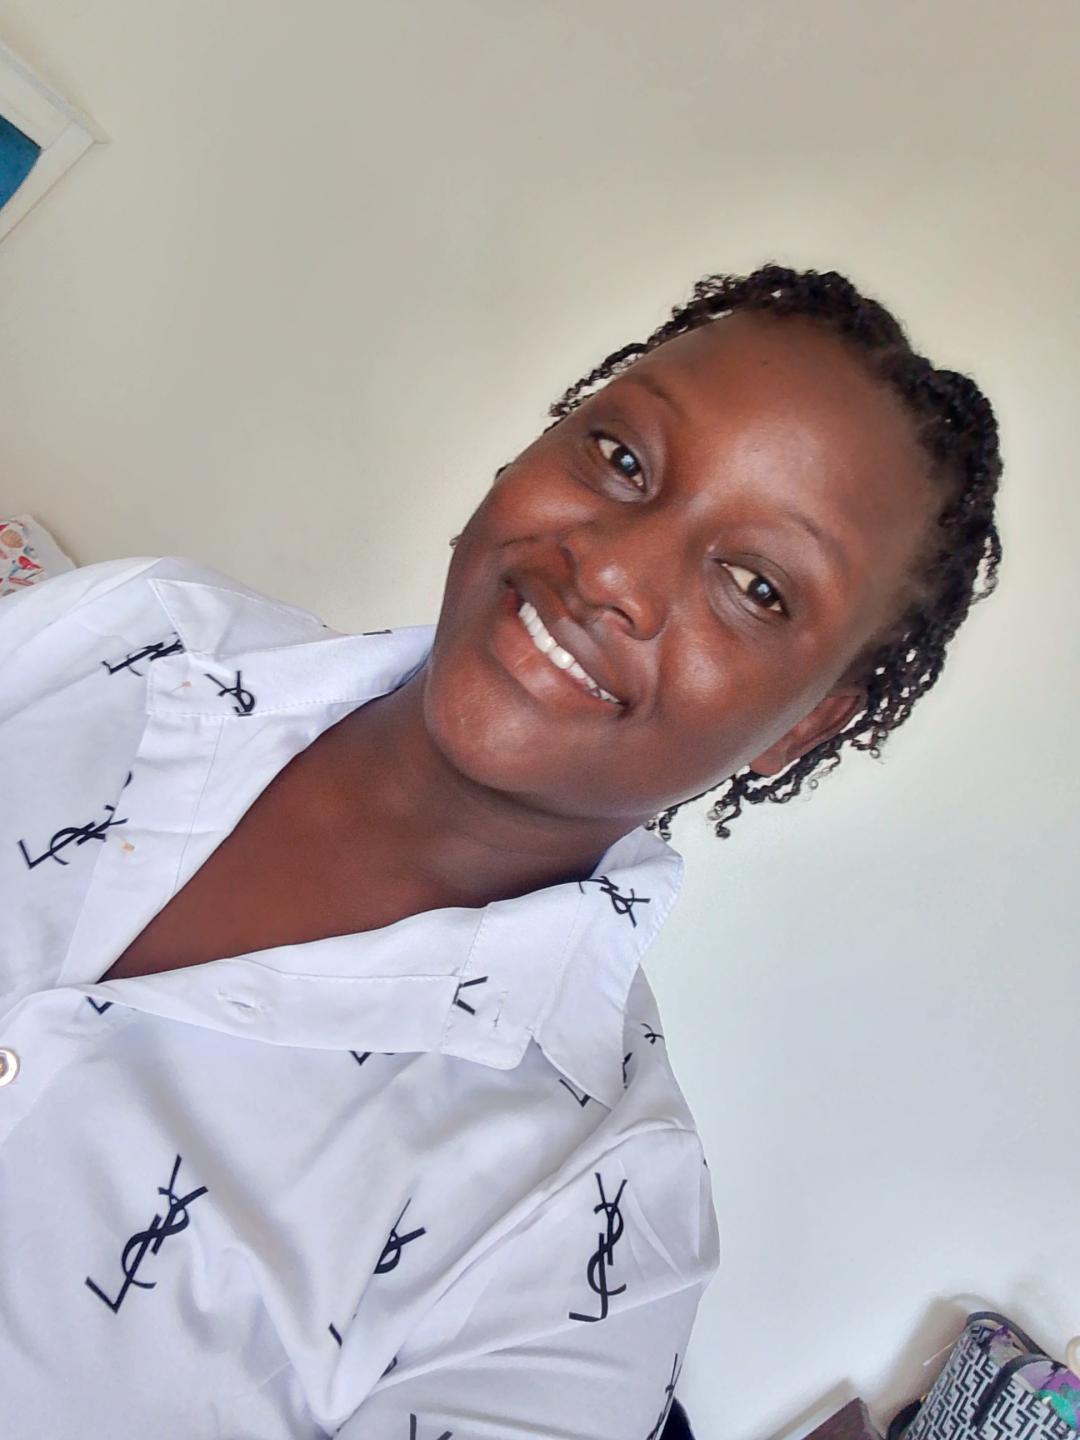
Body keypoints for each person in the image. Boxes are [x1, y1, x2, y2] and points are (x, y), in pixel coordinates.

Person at [0, 264, 1002, 1437]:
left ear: (807, 726)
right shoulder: (137, 630)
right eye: (621, 458)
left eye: (754, 586)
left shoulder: (590, 1239)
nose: (612, 573)